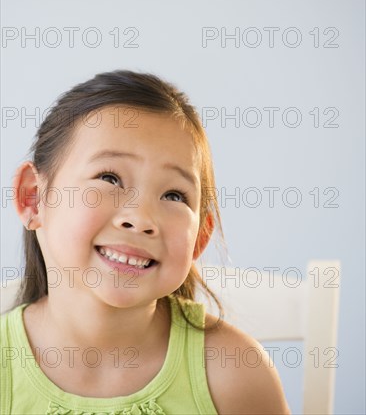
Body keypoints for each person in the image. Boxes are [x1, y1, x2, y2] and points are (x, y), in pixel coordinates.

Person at [1, 69, 291, 414]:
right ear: (33, 197)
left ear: (199, 238)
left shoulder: (235, 372)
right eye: (109, 177)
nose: (140, 219)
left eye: (173, 195)